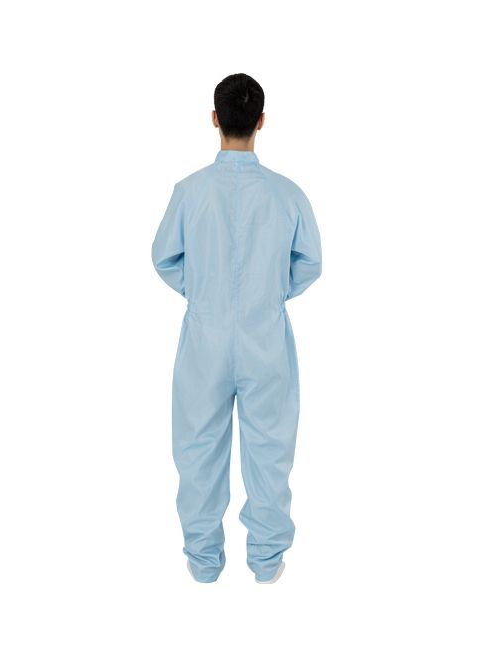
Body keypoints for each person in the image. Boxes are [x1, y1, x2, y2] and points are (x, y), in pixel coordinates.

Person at [151, 73, 322, 584]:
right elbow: (310, 263)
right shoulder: (288, 195)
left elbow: (164, 257)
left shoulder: (189, 192)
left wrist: (201, 289)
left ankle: (203, 562)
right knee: (270, 448)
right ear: (261, 121)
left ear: (215, 119)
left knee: (198, 447)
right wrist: (273, 292)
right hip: (265, 336)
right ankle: (267, 563)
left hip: (205, 338)